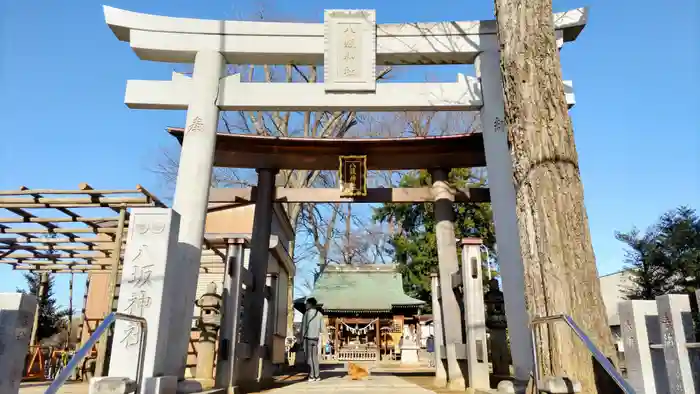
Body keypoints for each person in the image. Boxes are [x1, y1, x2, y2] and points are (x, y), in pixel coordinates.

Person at [301, 297, 324, 382]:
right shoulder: (320, 314)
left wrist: (301, 339)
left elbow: (303, 328)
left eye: (307, 303)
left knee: (309, 358)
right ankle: (317, 376)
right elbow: (323, 329)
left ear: (310, 304)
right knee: (315, 357)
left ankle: (311, 376)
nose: (306, 305)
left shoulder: (306, 314)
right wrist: (327, 337)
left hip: (308, 338)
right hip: (316, 339)